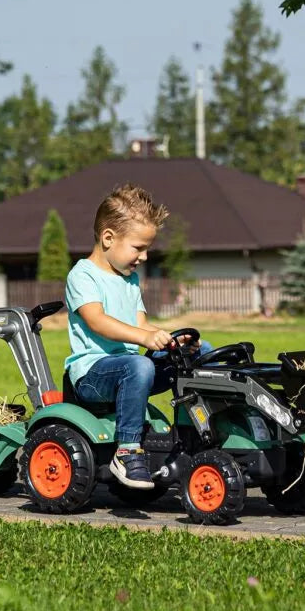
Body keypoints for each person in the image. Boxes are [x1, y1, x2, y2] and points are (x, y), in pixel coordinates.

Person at [64, 183, 190, 489]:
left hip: (130, 370)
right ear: (109, 238)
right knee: (141, 365)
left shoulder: (129, 280)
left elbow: (141, 325)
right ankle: (127, 451)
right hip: (93, 375)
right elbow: (98, 322)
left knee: (194, 357)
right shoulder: (82, 275)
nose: (144, 257)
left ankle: (193, 439)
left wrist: (168, 339)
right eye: (138, 248)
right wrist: (144, 339)